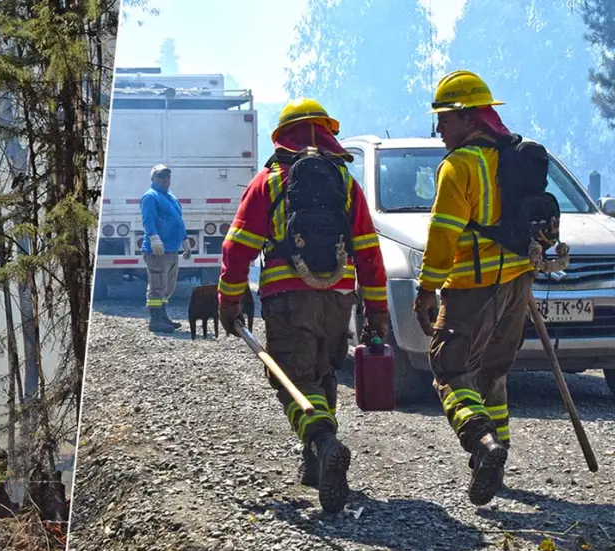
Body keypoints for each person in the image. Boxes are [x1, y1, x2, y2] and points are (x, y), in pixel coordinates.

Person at [216, 99, 389, 514]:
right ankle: (314, 462)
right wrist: (377, 310)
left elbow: (236, 248)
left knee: (292, 379)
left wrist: (229, 299)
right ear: (327, 133)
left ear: (283, 136)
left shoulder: (270, 181)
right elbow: (368, 250)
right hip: (338, 299)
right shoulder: (346, 183)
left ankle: (323, 443)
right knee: (324, 372)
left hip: (287, 299)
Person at [414, 70, 537, 506]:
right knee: (494, 372)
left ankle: (484, 444)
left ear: (468, 118)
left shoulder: (459, 166)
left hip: (471, 286)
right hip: (518, 283)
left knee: (450, 370)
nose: (440, 130)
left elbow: (444, 235)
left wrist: (427, 289)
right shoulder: (516, 157)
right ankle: (498, 463)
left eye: (444, 119)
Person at [140, 164, 191, 333]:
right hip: (158, 250)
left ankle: (163, 316)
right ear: (153, 179)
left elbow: (179, 220)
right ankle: (155, 320)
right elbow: (148, 219)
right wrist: (154, 237)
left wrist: (185, 241)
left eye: (167, 177)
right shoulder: (150, 196)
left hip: (171, 249)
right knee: (157, 286)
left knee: (168, 286)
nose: (164, 180)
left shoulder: (171, 197)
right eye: (160, 177)